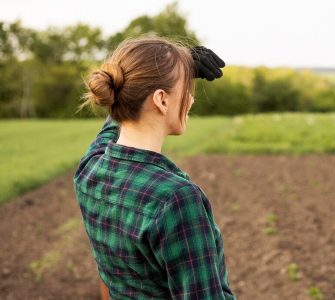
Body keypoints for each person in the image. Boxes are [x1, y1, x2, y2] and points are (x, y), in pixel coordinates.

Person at [72, 36, 235, 299]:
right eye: (186, 90)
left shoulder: (90, 169)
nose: (190, 100)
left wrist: (178, 65)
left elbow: (115, 121)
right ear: (161, 100)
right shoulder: (176, 199)